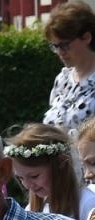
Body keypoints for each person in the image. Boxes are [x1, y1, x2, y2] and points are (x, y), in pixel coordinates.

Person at [8, 123, 95, 220]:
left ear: (60, 163)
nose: (27, 185)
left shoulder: (88, 204)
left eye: (34, 176)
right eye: (21, 178)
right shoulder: (32, 209)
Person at [45, 1, 95, 132]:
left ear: (86, 37)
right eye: (55, 46)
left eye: (64, 45)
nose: (60, 52)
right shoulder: (63, 79)